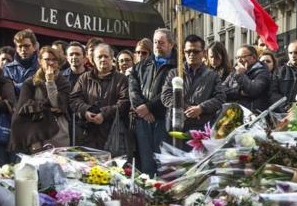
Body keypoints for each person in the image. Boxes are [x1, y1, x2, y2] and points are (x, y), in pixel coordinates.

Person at [130, 28, 176, 176]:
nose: (157, 46)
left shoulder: (177, 67)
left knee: (162, 164)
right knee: (146, 163)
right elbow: (132, 88)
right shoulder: (141, 66)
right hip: (142, 120)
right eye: (155, 42)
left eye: (161, 43)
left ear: (171, 44)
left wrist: (149, 107)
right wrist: (141, 109)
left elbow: (170, 92)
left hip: (163, 119)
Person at [10, 45, 72, 152]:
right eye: (47, 59)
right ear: (40, 61)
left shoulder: (64, 82)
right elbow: (24, 108)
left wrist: (50, 82)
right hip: (37, 133)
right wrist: (47, 107)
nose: (51, 63)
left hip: (59, 132)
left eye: (54, 60)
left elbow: (56, 104)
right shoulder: (30, 83)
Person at [160, 35, 225, 134]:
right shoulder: (174, 73)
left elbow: (220, 98)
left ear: (203, 53)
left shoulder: (213, 75)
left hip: (201, 129)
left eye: (195, 51)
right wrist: (185, 107)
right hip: (177, 126)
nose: (191, 54)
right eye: (188, 51)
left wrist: (201, 108)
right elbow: (165, 96)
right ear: (183, 52)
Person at [70, 44, 129, 151]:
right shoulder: (84, 78)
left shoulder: (122, 79)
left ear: (112, 58)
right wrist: (85, 111)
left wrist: (104, 114)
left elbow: (124, 102)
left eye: (106, 56)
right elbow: (74, 99)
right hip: (87, 133)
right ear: (93, 60)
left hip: (112, 133)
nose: (103, 59)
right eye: (99, 56)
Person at [226, 44, 274, 112]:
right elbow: (222, 90)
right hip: (233, 113)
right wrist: (239, 92)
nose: (239, 60)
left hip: (253, 116)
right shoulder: (234, 72)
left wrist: (241, 75)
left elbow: (253, 91)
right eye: (237, 58)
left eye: (243, 57)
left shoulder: (263, 73)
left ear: (254, 57)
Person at [273, 40, 297, 111]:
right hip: (287, 113)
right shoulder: (280, 72)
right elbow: (274, 93)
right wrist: (286, 107)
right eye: (290, 53)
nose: (293, 56)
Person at [3, 29, 40, 94]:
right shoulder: (8, 68)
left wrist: (16, 86)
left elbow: (40, 88)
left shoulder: (41, 67)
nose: (23, 49)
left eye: (26, 46)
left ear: (34, 47)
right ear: (16, 49)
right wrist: (30, 85)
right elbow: (7, 90)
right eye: (20, 46)